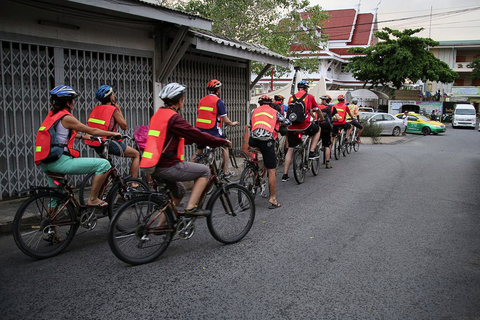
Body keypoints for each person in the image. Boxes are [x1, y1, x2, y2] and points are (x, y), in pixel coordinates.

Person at [140, 83, 230, 216]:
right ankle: (191, 208)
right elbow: (195, 134)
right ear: (180, 100)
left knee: (180, 192)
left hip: (153, 164)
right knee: (205, 171)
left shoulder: (159, 114)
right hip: (168, 165)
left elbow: (172, 137)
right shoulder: (174, 117)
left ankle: (163, 226)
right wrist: (221, 141)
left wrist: (190, 140)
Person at [35, 85, 121, 207]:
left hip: (46, 162)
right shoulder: (66, 117)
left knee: (55, 199)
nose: (74, 102)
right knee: (104, 164)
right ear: (67, 102)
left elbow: (58, 135)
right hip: (60, 162)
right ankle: (93, 199)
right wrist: (113, 133)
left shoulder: (52, 116)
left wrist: (82, 137)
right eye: (73, 100)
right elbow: (93, 131)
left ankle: (49, 225)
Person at [85, 85, 140, 179]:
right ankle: (134, 183)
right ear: (110, 97)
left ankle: (104, 188)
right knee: (136, 154)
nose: (114, 95)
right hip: (107, 142)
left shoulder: (96, 109)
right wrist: (119, 111)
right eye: (113, 94)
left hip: (95, 142)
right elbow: (124, 126)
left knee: (106, 165)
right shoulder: (113, 109)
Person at [249, 95, 291, 208]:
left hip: (253, 140)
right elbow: (287, 122)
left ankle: (254, 171)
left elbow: (250, 124)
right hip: (267, 141)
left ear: (260, 103)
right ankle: (272, 199)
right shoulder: (274, 112)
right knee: (271, 170)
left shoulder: (254, 111)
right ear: (270, 104)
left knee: (256, 155)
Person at [193, 79, 238, 178]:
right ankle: (226, 172)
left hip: (200, 131)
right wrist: (232, 123)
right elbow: (225, 120)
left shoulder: (201, 100)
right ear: (218, 90)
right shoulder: (218, 101)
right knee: (225, 146)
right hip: (213, 131)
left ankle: (188, 169)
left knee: (198, 151)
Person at [281, 80, 324, 182]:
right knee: (318, 130)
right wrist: (321, 118)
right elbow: (317, 109)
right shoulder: (309, 97)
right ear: (306, 88)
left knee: (290, 149)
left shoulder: (292, 97)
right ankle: (312, 151)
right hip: (305, 125)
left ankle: (285, 174)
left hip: (292, 127)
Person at [319, 95, 338, 169]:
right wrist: (335, 119)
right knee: (327, 145)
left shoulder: (318, 106)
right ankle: (327, 162)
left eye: (322, 100)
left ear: (324, 100)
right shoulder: (332, 108)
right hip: (327, 127)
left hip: (318, 126)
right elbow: (338, 117)